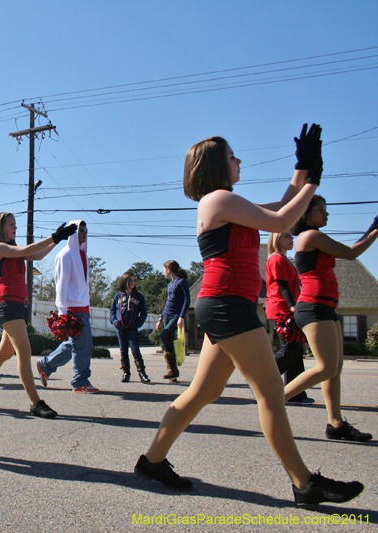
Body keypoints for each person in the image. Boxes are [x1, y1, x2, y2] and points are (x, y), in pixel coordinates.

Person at [135, 125, 364, 507]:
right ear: (215, 166)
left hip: (225, 304)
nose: (239, 161)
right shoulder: (217, 200)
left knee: (204, 391)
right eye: (231, 156)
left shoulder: (229, 202)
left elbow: (280, 207)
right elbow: (280, 222)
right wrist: (314, 181)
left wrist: (302, 168)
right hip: (227, 305)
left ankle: (152, 461)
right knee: (272, 394)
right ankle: (306, 485)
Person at [283, 196, 378, 441]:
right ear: (305, 214)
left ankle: (336, 424)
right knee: (325, 367)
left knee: (335, 368)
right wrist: (375, 228)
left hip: (326, 308)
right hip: (313, 307)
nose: (327, 214)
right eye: (321, 210)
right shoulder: (309, 236)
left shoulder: (315, 237)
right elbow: (350, 253)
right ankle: (274, 400)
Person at [0, 212, 75, 417]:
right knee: (24, 352)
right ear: (0, 228)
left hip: (19, 305)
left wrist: (57, 239)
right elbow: (27, 249)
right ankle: (35, 402)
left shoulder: (14, 251)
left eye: (16, 224)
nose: (16, 227)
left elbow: (37, 254)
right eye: (11, 224)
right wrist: (54, 235)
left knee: (4, 354)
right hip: (7, 305)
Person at [36, 220, 98, 393]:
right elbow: (60, 284)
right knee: (83, 345)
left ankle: (46, 365)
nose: (85, 233)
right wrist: (62, 311)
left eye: (86, 229)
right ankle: (80, 382)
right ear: (73, 232)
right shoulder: (65, 255)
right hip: (72, 308)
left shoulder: (82, 254)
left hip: (83, 306)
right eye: (81, 229)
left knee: (75, 344)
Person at [265, 232, 312, 405]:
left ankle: (295, 393)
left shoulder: (285, 260)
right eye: (287, 236)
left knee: (296, 350)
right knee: (290, 349)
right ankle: (261, 380)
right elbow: (282, 284)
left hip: (288, 308)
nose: (291, 239)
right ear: (277, 239)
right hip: (281, 309)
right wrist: (293, 306)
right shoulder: (276, 259)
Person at [110, 272, 150, 383]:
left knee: (135, 350)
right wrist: (114, 321)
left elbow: (144, 313)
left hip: (132, 328)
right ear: (124, 281)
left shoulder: (139, 297)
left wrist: (137, 323)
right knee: (123, 351)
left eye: (134, 280)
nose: (132, 283)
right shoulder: (118, 296)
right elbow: (112, 310)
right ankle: (126, 373)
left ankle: (142, 374)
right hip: (120, 328)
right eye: (130, 280)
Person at [155, 260, 190, 382]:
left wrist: (181, 317)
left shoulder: (182, 282)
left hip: (176, 315)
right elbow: (167, 303)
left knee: (165, 337)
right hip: (166, 315)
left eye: (164, 270)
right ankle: (173, 373)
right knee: (168, 340)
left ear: (169, 270)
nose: (163, 272)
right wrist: (160, 319)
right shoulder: (169, 285)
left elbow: (187, 300)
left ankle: (173, 369)